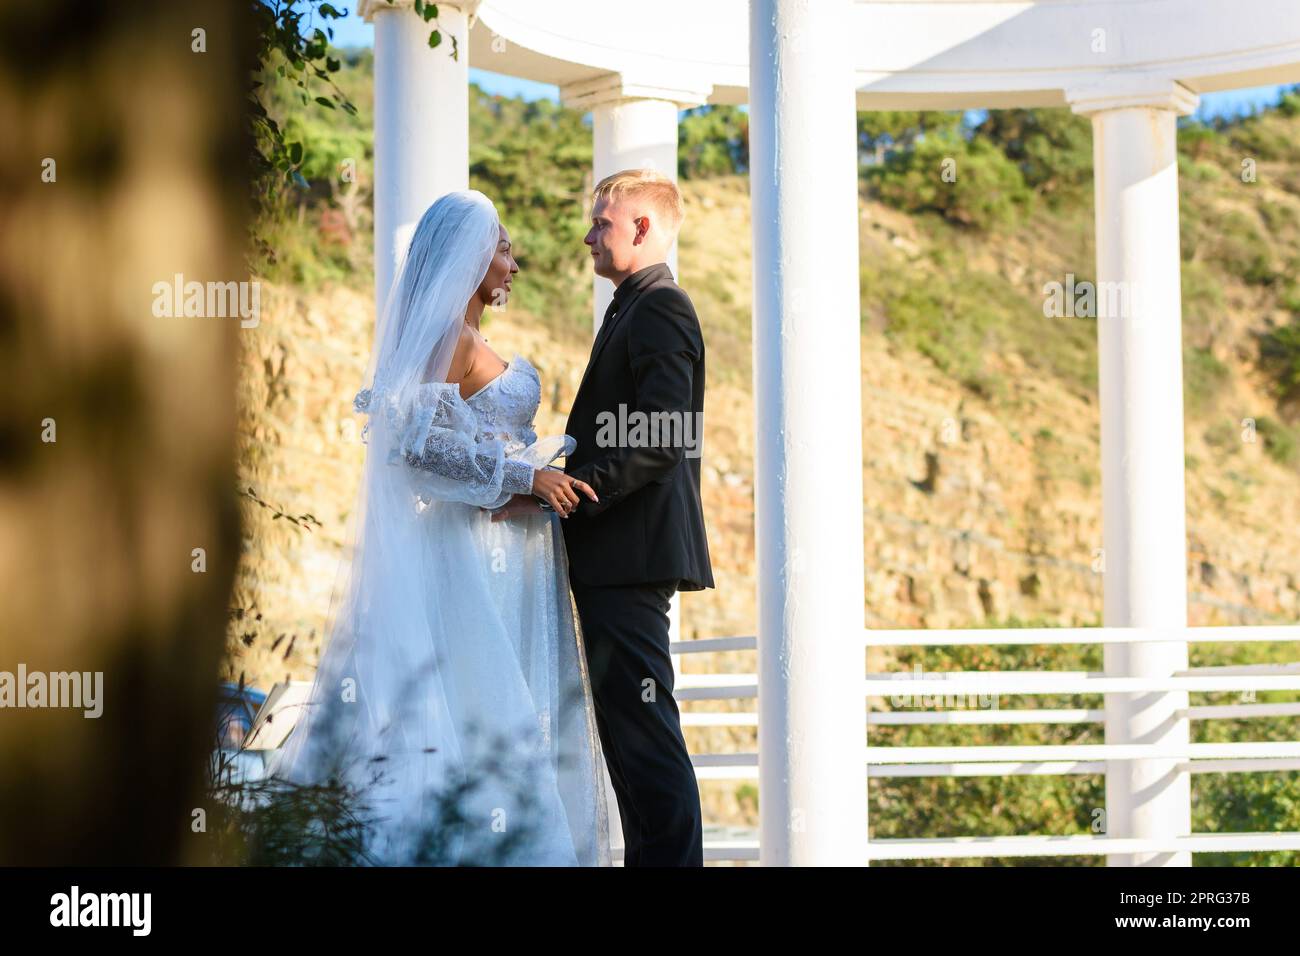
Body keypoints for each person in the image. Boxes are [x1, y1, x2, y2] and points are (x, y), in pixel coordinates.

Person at [268, 190, 611, 866]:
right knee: (483, 700)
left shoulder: (472, 339)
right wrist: (522, 478)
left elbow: (466, 443)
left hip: (510, 546)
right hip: (471, 555)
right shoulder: (450, 340)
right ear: (471, 256)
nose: (513, 263)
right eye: (503, 249)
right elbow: (414, 446)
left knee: (510, 703)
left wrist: (526, 479)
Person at [500, 169, 715, 866]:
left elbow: (664, 431)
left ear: (642, 227)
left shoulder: (660, 306)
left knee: (646, 741)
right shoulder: (631, 304)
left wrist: (574, 486)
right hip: (618, 555)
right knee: (628, 739)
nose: (589, 235)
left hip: (630, 555)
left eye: (601, 223)